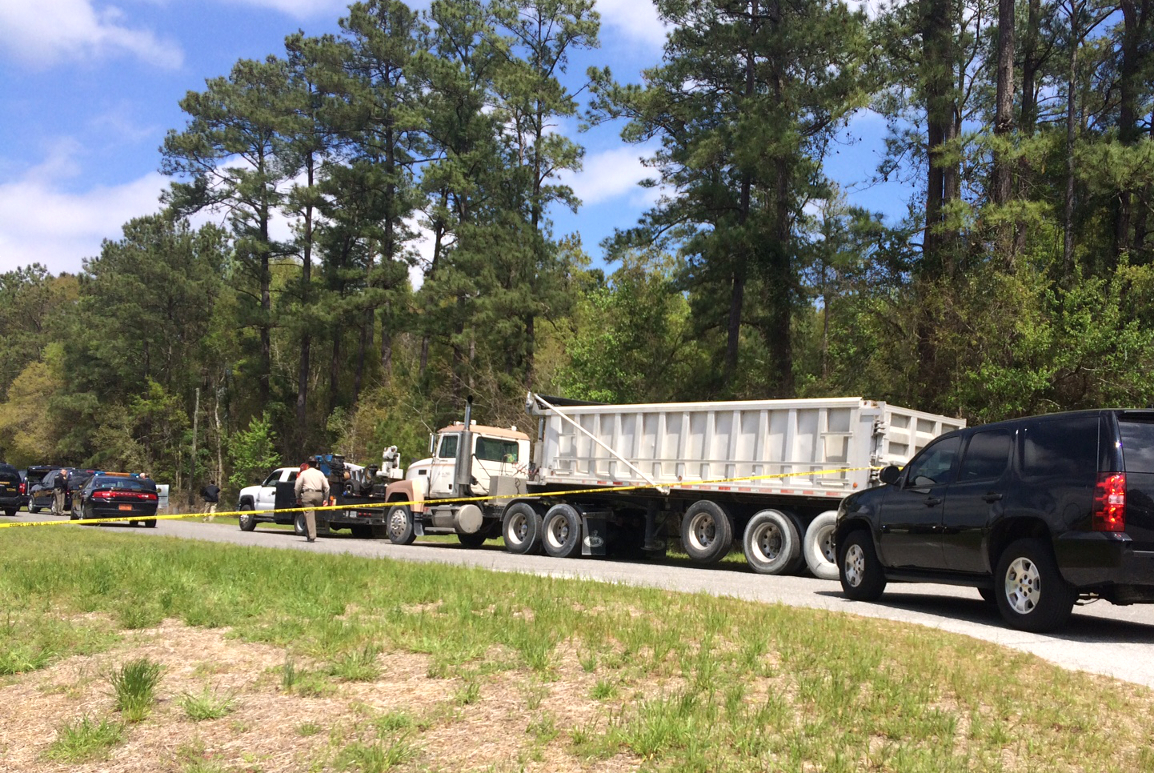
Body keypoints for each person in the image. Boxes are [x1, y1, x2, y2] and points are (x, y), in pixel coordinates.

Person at [293, 461, 329, 543]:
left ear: (308, 465)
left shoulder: (304, 473)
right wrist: (325, 499)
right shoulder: (320, 474)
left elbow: (297, 486)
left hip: (308, 494)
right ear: (316, 465)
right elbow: (327, 487)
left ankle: (312, 536)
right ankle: (309, 533)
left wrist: (297, 497)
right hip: (319, 495)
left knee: (309, 515)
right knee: (314, 515)